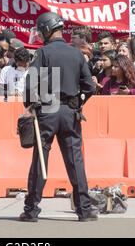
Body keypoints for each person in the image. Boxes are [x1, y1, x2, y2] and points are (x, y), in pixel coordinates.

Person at [21, 12, 97, 222]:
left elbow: (30, 85)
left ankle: (31, 210)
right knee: (75, 161)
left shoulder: (43, 53)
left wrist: (30, 105)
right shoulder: (76, 54)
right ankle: (85, 210)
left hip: (48, 111)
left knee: (40, 160)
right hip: (71, 113)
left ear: (46, 30)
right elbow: (89, 87)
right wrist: (77, 104)